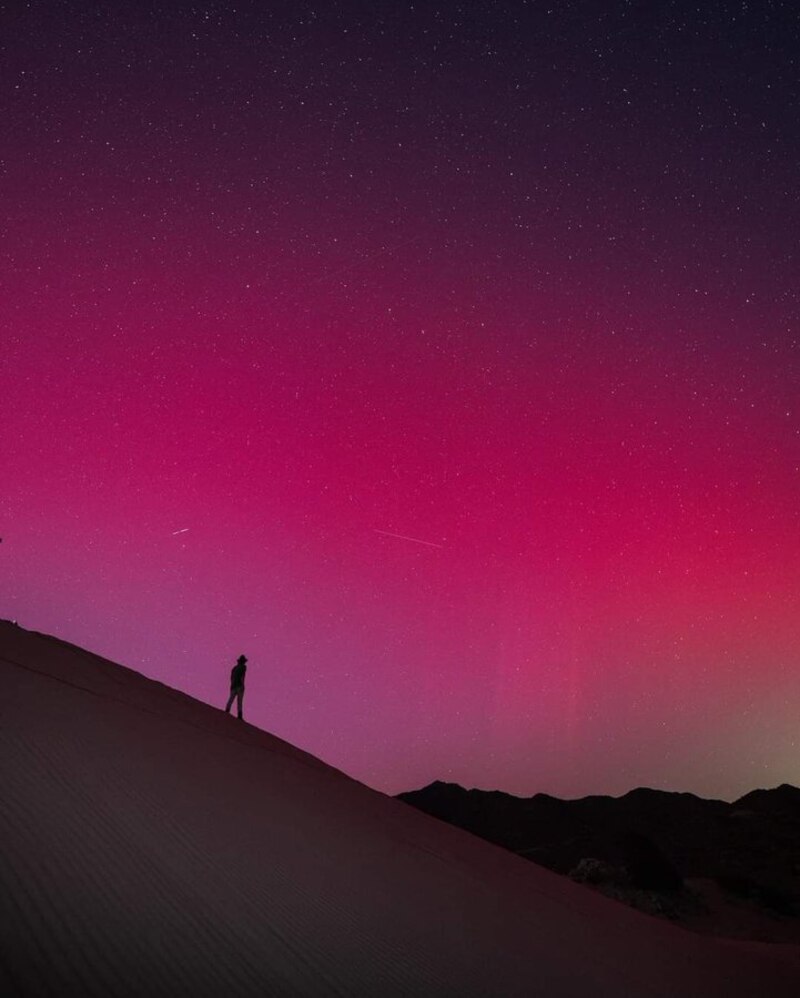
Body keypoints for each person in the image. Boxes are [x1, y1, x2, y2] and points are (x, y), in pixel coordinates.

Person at [224, 654, 247, 720]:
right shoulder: (244, 667)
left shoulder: (234, 668)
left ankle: (227, 710)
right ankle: (239, 716)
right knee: (239, 701)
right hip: (239, 686)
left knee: (231, 699)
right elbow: (242, 677)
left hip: (233, 685)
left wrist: (232, 685)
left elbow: (231, 678)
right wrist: (243, 685)